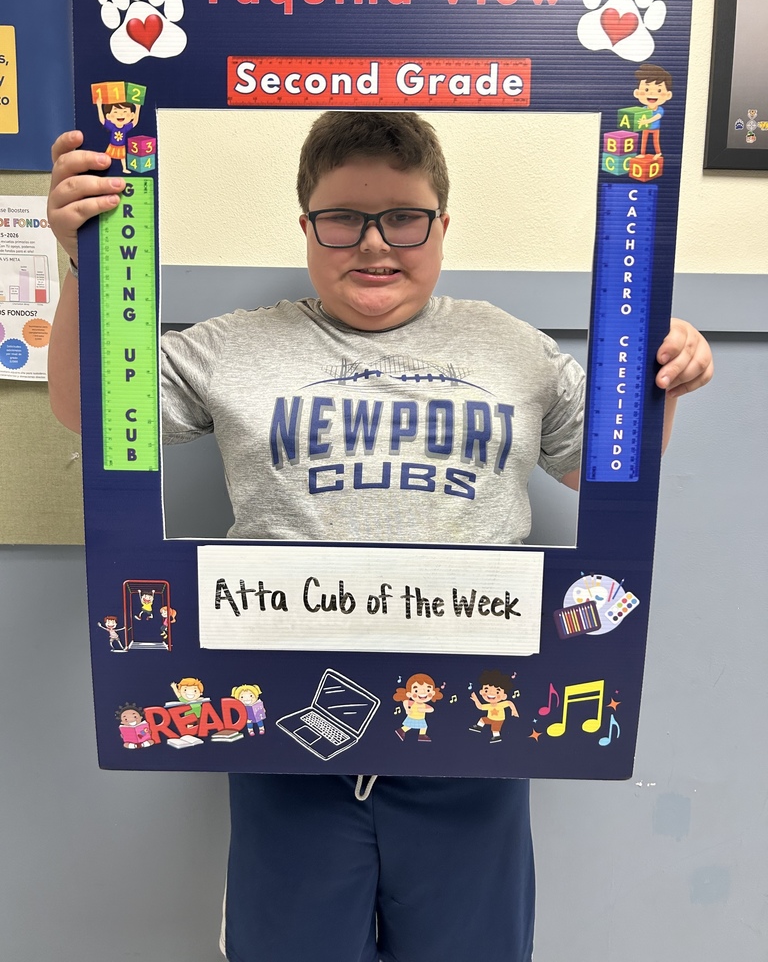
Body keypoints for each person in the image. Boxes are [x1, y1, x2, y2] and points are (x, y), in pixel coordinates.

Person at [46, 112, 713, 962]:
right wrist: (82, 266)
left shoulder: (514, 349)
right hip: (287, 737)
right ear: (305, 227)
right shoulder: (233, 346)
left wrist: (667, 382)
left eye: (404, 218)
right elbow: (86, 408)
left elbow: (602, 468)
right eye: (342, 220)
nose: (374, 245)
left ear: (442, 225)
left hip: (471, 735)